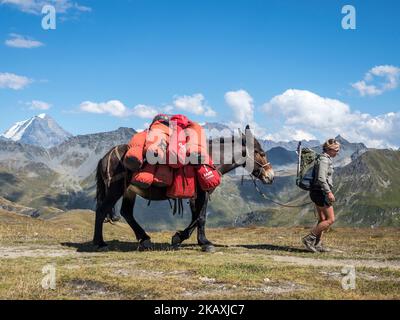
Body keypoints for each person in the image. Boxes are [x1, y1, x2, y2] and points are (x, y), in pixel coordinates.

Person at [302, 138, 341, 253]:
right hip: (321, 193)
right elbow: (321, 178)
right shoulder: (324, 160)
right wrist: (328, 192)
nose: (337, 152)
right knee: (330, 220)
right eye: (336, 150)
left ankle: (318, 244)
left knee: (322, 219)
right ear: (329, 150)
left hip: (316, 192)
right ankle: (309, 239)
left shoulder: (322, 158)